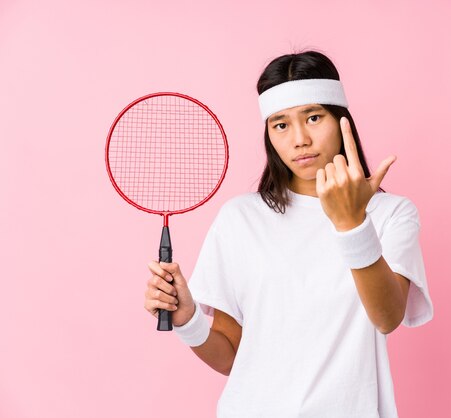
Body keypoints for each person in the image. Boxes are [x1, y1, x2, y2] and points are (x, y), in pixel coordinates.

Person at [144, 50, 434, 418]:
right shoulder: (240, 218)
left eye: (313, 117)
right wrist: (187, 319)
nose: (299, 139)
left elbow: (387, 316)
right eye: (280, 124)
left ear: (342, 119)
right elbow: (232, 355)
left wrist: (352, 223)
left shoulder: (392, 214)